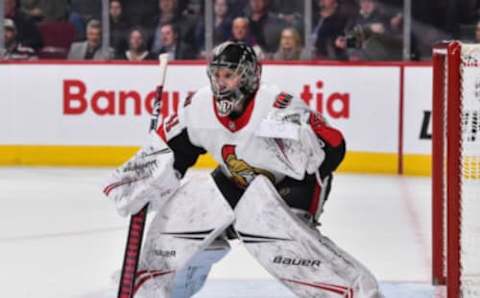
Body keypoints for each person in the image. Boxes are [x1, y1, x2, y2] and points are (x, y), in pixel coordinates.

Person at [104, 41, 383, 298]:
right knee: (181, 212)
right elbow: (172, 150)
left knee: (272, 238)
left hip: (287, 190)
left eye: (229, 75)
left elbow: (334, 146)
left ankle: (355, 291)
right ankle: (152, 286)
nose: (221, 84)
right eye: (217, 75)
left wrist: (305, 142)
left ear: (248, 76)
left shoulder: (277, 106)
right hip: (234, 182)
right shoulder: (199, 107)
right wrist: (142, 176)